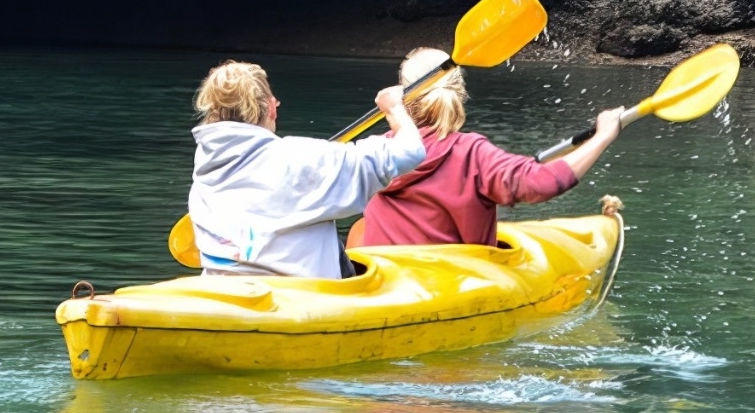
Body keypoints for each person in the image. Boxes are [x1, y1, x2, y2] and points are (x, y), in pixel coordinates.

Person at [354, 48, 627, 248]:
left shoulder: (375, 152)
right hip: (450, 285)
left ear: (401, 97)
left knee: (357, 230)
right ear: (459, 92)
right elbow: (541, 183)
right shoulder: (472, 154)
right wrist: (602, 135)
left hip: (385, 280)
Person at [188, 59, 426, 278]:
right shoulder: (302, 159)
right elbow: (409, 151)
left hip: (223, 297)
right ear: (271, 108)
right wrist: (395, 109)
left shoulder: (204, 173)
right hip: (298, 305)